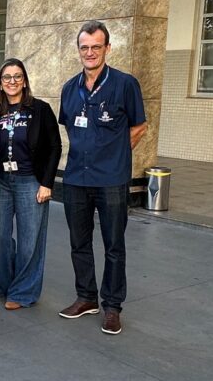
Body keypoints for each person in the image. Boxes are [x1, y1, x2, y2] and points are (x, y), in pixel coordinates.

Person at [58, 21, 147, 335]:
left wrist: (112, 153)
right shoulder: (69, 88)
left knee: (114, 245)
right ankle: (86, 297)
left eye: (96, 46)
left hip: (111, 179)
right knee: (78, 242)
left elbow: (138, 127)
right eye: (85, 47)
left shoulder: (125, 84)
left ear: (107, 48)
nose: (90, 52)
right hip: (76, 180)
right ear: (79, 50)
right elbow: (69, 126)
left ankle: (112, 306)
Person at [0, 58, 61, 311]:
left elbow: (54, 146)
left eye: (17, 76)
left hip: (30, 180)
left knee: (30, 239)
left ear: (25, 81)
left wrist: (47, 183)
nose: (12, 81)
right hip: (1, 181)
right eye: (7, 77)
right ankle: (0, 284)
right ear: (0, 82)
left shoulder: (40, 109)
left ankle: (22, 292)